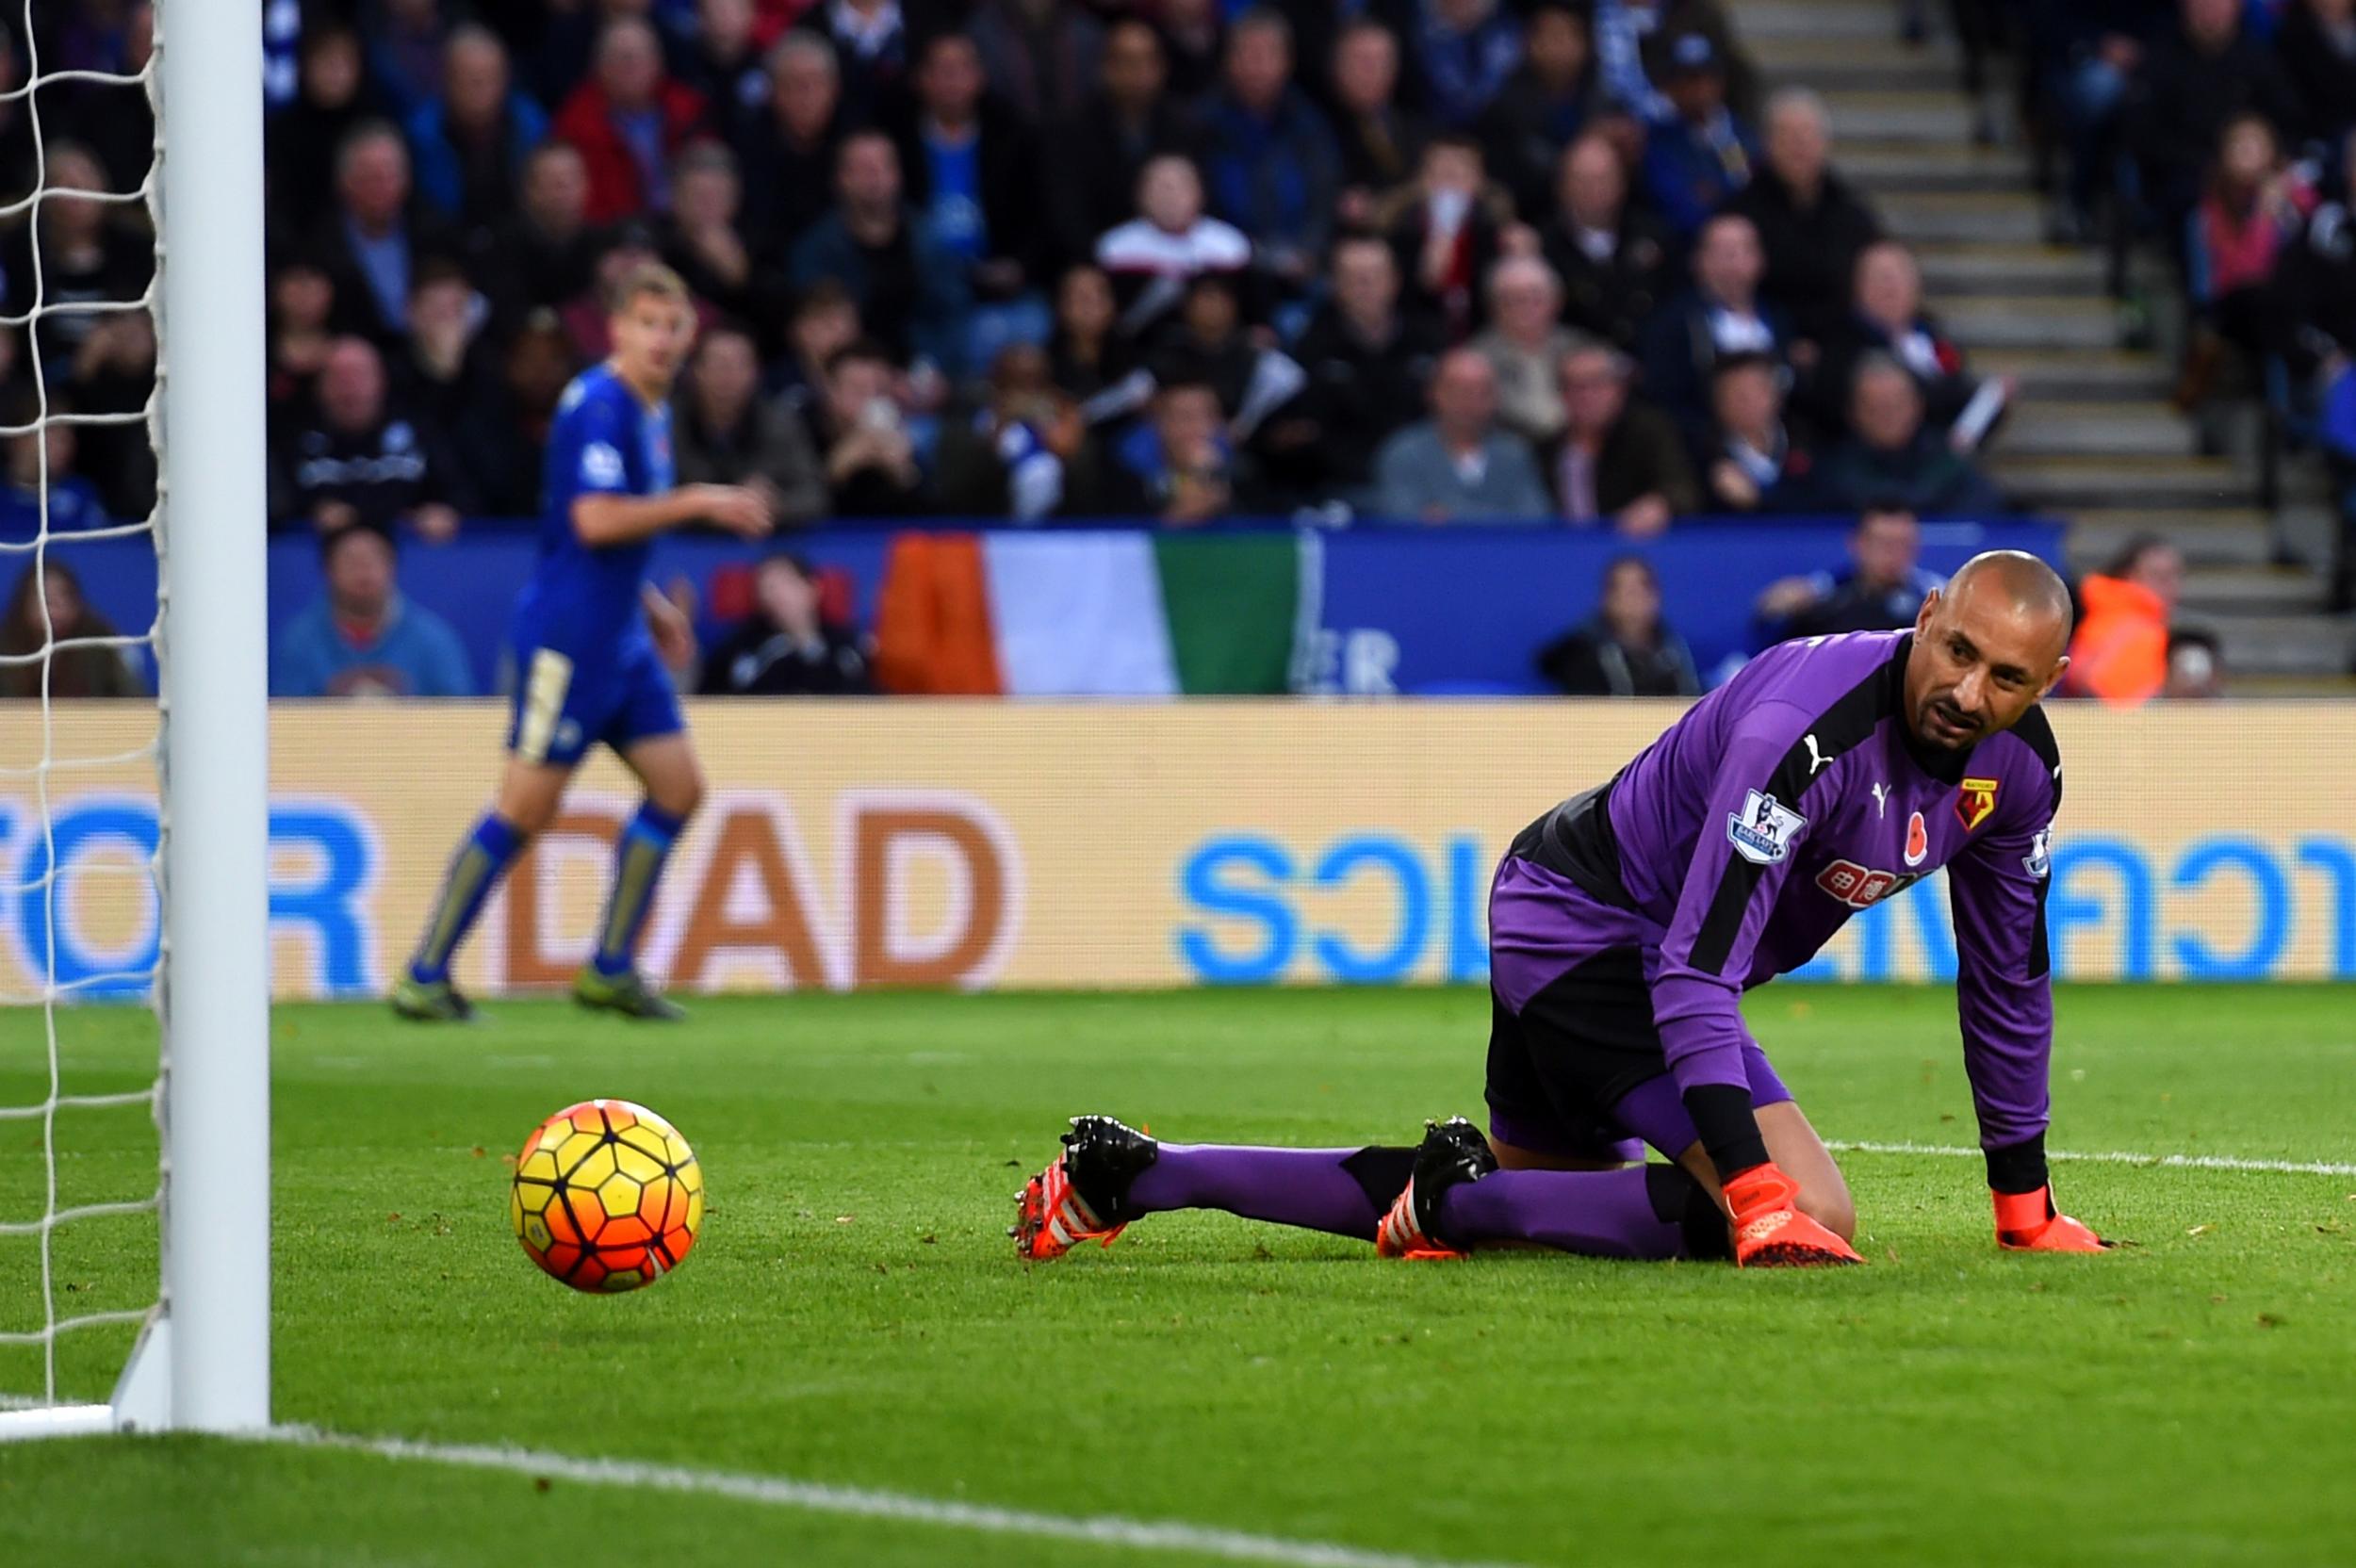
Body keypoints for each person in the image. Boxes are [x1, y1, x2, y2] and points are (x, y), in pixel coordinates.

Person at [1014, 552, 2106, 1270]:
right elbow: (1692, 971)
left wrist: (2025, 1206)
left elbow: (2007, 979)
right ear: (1923, 618)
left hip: (1605, 931)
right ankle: (1455, 1199)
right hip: (1585, 928)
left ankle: (1135, 1173)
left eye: (2006, 676)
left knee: (1547, 1203)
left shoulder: (2017, 775)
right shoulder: (1805, 728)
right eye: (1956, 651)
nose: (1968, 691)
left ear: (2046, 682)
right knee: (1812, 1211)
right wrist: (1757, 1185)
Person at [390, 263, 776, 1024]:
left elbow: (606, 538)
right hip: (567, 643)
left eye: (675, 327)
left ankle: (609, 968)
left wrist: (653, 602)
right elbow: (595, 521)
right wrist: (699, 500)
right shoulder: (599, 405)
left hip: (621, 640)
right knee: (526, 808)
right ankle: (424, 973)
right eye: (648, 324)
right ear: (618, 329)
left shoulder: (648, 408)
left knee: (679, 790)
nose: (662, 340)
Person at [788, 131, 973, 374]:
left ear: (898, 175)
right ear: (840, 178)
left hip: (924, 368)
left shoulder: (927, 237)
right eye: (863, 168)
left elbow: (953, 312)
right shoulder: (816, 249)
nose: (875, 176)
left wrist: (931, 370)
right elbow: (814, 329)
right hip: (849, 376)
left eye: (883, 166)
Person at [1722, 88, 1880, 346]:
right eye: (1787, 135)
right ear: (1767, 143)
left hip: (1843, 347)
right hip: (1765, 344)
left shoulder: (1851, 213)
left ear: (1824, 143)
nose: (1798, 145)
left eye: (1807, 135)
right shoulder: (1740, 214)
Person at [270, 335, 471, 539]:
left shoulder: (419, 431)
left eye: (359, 375)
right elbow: (274, 504)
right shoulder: (296, 439)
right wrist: (311, 512)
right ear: (319, 386)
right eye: (338, 377)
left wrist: (446, 511)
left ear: (381, 381)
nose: (350, 388)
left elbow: (463, 493)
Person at [270, 521, 475, 698]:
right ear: (328, 570)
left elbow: (460, 713)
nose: (363, 571)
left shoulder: (433, 637)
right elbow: (284, 717)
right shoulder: (300, 638)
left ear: (392, 567)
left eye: (373, 560)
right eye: (351, 561)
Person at [1638, 211, 1784, 444]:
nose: (1733, 261)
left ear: (1761, 260)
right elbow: (1666, 400)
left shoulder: (1779, 319)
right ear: (1698, 260)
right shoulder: (1673, 325)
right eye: (1722, 252)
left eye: (1743, 250)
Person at [551, 16, 710, 224]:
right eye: (621, 58)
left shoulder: (689, 110)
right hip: (608, 236)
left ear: (658, 63)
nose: (631, 66)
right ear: (599, 67)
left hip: (685, 228)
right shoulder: (575, 123)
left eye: (639, 57)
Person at [1371, 347, 1550, 522]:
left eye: (1483, 392)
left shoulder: (1514, 453)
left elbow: (1534, 517)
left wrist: (1448, 516)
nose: (1472, 402)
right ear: (1433, 393)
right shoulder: (1404, 452)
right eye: (1461, 391)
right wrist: (1500, 517)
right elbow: (1402, 516)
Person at [675, 322, 827, 523]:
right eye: (718, 363)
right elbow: (649, 497)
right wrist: (708, 505)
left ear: (755, 372)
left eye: (739, 364)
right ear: (696, 371)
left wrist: (773, 504)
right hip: (684, 545)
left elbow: (814, 496)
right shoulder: (668, 423)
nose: (727, 375)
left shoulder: (781, 423)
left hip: (762, 543)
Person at [1818, 355, 2006, 518]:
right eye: (1875, 408)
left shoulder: (1947, 459)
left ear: (1918, 406)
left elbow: (1981, 508)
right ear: (1853, 413)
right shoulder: (1835, 469)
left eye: (1897, 405)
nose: (1888, 416)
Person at [1539, 132, 1674, 353]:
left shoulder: (1654, 235)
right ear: (1561, 186)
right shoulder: (1545, 246)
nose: (1593, 189)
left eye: (1602, 178)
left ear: (1621, 183)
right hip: (1577, 368)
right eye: (1581, 180)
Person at [1545, 343, 1696, 534]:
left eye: (1597, 384)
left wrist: (1660, 504)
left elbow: (1682, 488)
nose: (1586, 396)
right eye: (1575, 386)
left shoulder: (1646, 432)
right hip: (1567, 552)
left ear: (1618, 389)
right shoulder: (1549, 449)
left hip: (1634, 550)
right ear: (1562, 394)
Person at [1754, 506, 1944, 644]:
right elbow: (1772, 608)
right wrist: (1783, 605)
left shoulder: (1935, 594)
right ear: (1858, 543)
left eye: (1903, 544)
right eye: (1884, 544)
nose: (1893, 554)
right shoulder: (1827, 589)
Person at [698, 551, 875, 695]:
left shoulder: (845, 645)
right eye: (766, 588)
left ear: (813, 588)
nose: (775, 595)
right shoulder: (740, 647)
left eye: (785, 584)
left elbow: (867, 697)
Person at [1640, 30, 1757, 240]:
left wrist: (1714, 192)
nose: (1700, 89)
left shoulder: (1742, 136)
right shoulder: (1658, 141)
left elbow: (1751, 196)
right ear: (1671, 87)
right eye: (1689, 79)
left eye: (1707, 77)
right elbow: (1679, 207)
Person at [1535, 555, 1699, 696]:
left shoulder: (1674, 652)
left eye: (1643, 587)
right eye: (1626, 589)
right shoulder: (1581, 655)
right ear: (1607, 598)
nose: (1635, 597)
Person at [1471, 255, 1594, 444]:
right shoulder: (1475, 359)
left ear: (1557, 302)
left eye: (1535, 297)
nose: (1525, 307)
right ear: (1493, 306)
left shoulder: (1581, 349)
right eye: (1512, 299)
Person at [0, 557, 144, 700]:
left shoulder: (102, 644)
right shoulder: (5, 649)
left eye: (62, 596)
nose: (53, 606)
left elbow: (136, 702)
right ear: (23, 604)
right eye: (44, 598)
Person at [2066, 533, 2183, 706]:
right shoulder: (2136, 629)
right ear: (2129, 576)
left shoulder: (2103, 616)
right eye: (2159, 576)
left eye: (2175, 575)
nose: (2171, 586)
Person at [1697, 351, 1820, 514]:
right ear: (1718, 401)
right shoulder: (1704, 454)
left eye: (1758, 389)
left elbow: (1826, 497)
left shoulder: (1806, 442)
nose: (1749, 401)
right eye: (1738, 393)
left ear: (1776, 395)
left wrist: (1759, 498)